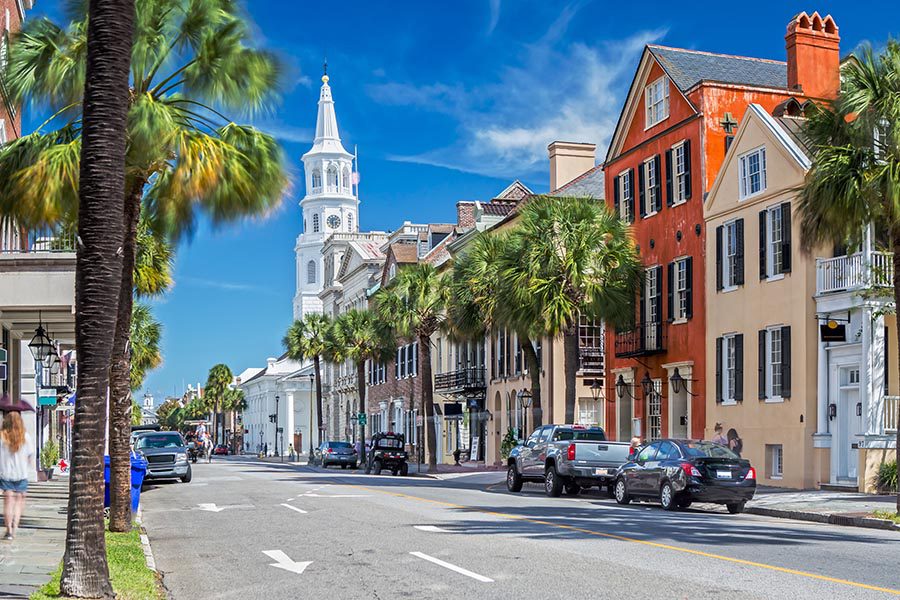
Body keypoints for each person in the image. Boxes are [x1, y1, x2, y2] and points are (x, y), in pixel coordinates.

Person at [0, 412, 34, 541]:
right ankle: (15, 526)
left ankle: (8, 530)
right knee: (19, 502)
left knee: (8, 503)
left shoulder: (2, 437)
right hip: (21, 474)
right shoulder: (25, 437)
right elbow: (30, 455)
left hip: (5, 474)